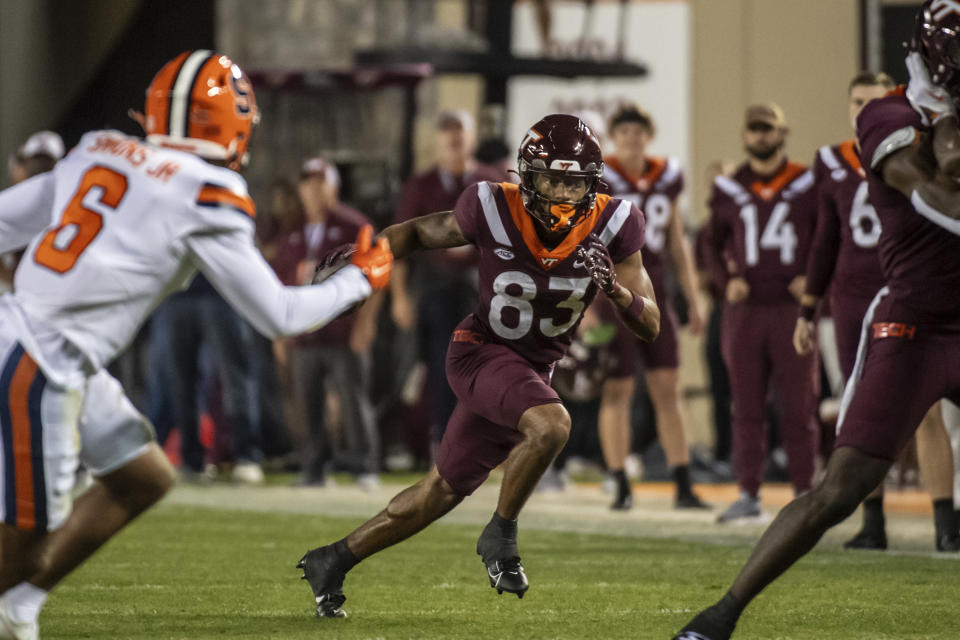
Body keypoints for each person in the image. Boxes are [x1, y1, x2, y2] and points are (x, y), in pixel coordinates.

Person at [0, 50, 391, 638]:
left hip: (27, 335)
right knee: (23, 547)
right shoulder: (209, 191)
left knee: (144, 476)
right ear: (228, 124)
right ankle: (17, 590)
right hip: (43, 363)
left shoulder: (96, 148)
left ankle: (20, 606)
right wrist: (360, 278)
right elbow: (280, 314)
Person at [296, 114, 659, 618]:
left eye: (573, 182)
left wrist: (618, 293)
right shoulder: (492, 204)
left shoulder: (616, 223)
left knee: (440, 491)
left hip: (531, 373)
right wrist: (364, 265)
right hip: (480, 350)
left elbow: (653, 324)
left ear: (592, 182)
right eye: (551, 179)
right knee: (553, 425)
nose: (560, 192)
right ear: (527, 177)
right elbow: (420, 233)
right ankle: (501, 536)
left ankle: (332, 560)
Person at [674, 4, 960, 637]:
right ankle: (718, 618)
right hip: (912, 326)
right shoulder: (888, 116)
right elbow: (936, 195)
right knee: (839, 488)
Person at [795, 70, 960, 551]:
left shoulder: (919, 148)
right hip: (853, 295)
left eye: (872, 99)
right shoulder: (831, 160)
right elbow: (825, 237)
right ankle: (872, 519)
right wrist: (808, 307)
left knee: (929, 411)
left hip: (908, 288)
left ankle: (944, 521)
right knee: (860, 413)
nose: (863, 108)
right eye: (856, 101)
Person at [703, 103, 820, 524]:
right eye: (754, 129)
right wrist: (722, 281)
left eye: (767, 129)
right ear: (744, 135)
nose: (761, 136)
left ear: (783, 132)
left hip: (792, 309)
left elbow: (828, 235)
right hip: (747, 310)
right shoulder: (729, 187)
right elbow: (709, 242)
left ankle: (806, 494)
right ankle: (749, 492)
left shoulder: (808, 182)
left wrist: (812, 277)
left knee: (798, 405)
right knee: (746, 405)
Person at [598, 104, 708, 510]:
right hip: (611, 288)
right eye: (623, 130)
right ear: (614, 136)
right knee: (618, 389)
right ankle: (620, 481)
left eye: (637, 131)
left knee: (668, 386)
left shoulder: (667, 176)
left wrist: (694, 296)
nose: (631, 138)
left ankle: (682, 481)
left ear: (649, 135)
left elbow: (678, 240)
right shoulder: (601, 176)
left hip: (656, 286)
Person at [390, 110, 506, 449]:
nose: (454, 140)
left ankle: (488, 443)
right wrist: (399, 296)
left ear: (471, 138)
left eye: (459, 133)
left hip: (484, 286)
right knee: (447, 363)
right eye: (447, 133)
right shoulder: (421, 185)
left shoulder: (491, 180)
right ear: (437, 141)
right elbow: (402, 244)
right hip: (437, 285)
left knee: (491, 366)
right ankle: (444, 440)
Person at [271, 157, 382, 488]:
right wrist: (279, 331)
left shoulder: (354, 226)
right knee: (307, 402)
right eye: (307, 184)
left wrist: (366, 323)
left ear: (333, 188)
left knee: (352, 399)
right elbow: (279, 284)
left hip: (342, 330)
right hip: (304, 332)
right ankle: (313, 468)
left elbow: (377, 274)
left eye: (320, 183)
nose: (313, 190)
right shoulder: (292, 231)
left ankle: (365, 465)